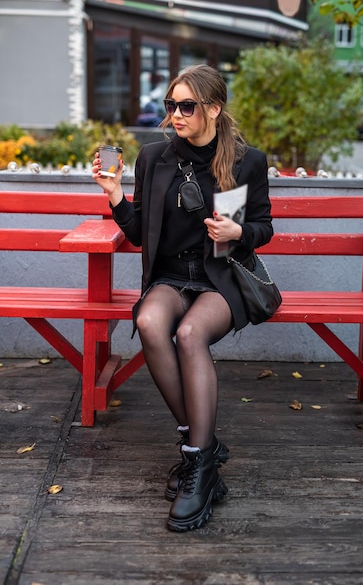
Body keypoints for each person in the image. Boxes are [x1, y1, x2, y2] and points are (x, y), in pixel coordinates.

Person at [92, 64, 273, 532]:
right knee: (151, 323)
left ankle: (198, 462)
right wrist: (115, 196)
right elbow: (138, 234)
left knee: (191, 334)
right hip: (172, 277)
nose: (176, 114)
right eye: (171, 105)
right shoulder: (155, 159)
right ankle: (203, 451)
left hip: (219, 275)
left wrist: (238, 231)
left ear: (213, 108)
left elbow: (261, 229)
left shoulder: (242, 162)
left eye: (187, 106)